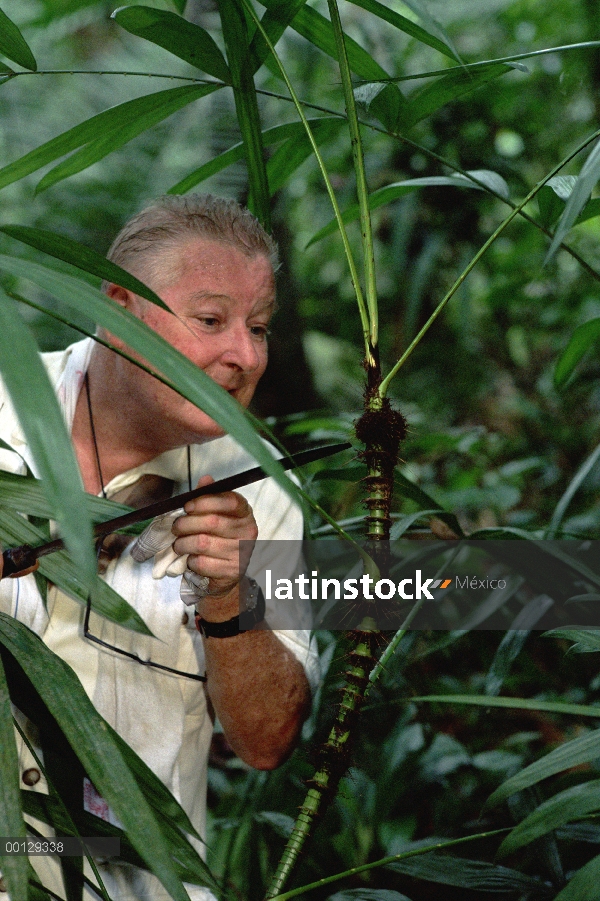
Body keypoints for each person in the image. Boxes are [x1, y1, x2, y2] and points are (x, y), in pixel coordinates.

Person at [0, 194, 318, 901]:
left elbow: (266, 740)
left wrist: (234, 594)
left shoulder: (264, 484)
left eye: (259, 327)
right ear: (120, 308)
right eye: (211, 319)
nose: (244, 354)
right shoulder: (5, 407)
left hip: (130, 880)